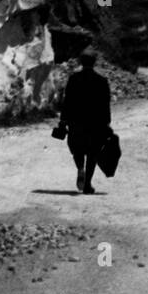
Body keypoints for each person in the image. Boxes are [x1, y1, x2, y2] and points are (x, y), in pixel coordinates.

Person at [58, 48, 111, 194]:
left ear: (81, 62)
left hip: (76, 121)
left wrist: (63, 121)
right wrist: (106, 123)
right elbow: (105, 104)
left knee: (77, 148)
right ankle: (87, 183)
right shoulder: (101, 80)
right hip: (95, 122)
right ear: (94, 62)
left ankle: (80, 168)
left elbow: (67, 101)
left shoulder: (74, 79)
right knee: (93, 153)